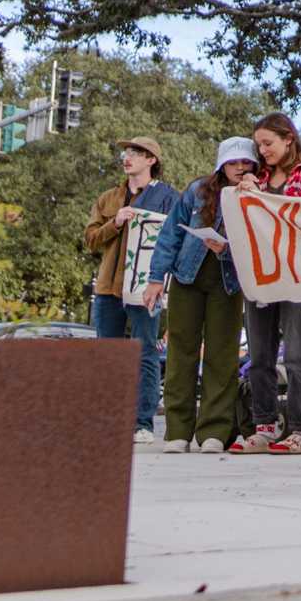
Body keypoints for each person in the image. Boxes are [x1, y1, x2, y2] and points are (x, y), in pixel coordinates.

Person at [143, 138, 258, 453]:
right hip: (186, 278)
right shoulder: (197, 190)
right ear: (221, 165)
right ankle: (177, 431)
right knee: (181, 352)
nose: (240, 168)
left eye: (246, 163)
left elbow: (261, 243)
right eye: (233, 163)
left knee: (222, 356)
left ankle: (214, 432)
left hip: (228, 283)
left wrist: (228, 248)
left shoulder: (256, 197)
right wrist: (155, 279)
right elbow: (171, 235)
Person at [230, 113, 301, 455]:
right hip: (262, 275)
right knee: (259, 355)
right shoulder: (260, 177)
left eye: (268, 143)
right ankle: (265, 426)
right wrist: (245, 197)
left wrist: (261, 198)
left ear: (289, 139)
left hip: (299, 276)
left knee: (298, 356)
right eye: (259, 145)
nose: (263, 150)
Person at [83, 137, 179, 443]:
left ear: (151, 160)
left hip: (144, 287)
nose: (128, 157)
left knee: (145, 353)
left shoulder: (167, 197)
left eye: (136, 153)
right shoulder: (109, 198)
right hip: (108, 287)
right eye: (126, 152)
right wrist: (116, 222)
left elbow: (175, 237)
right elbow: (90, 240)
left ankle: (142, 424)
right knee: (109, 355)